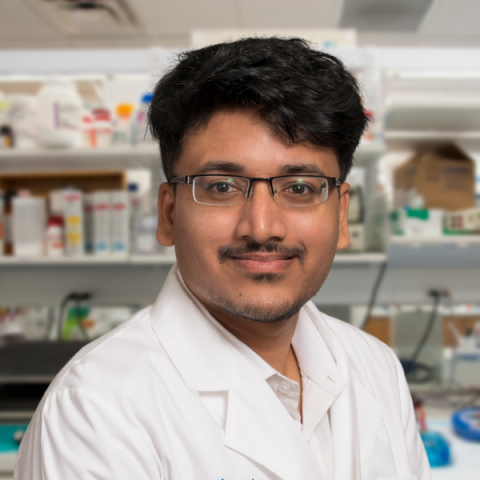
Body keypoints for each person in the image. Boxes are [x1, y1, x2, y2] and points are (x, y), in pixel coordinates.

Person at [15, 37, 431, 480]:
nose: (262, 226)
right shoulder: (96, 411)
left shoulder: (375, 365)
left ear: (341, 215)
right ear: (169, 213)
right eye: (221, 187)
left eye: (300, 188)